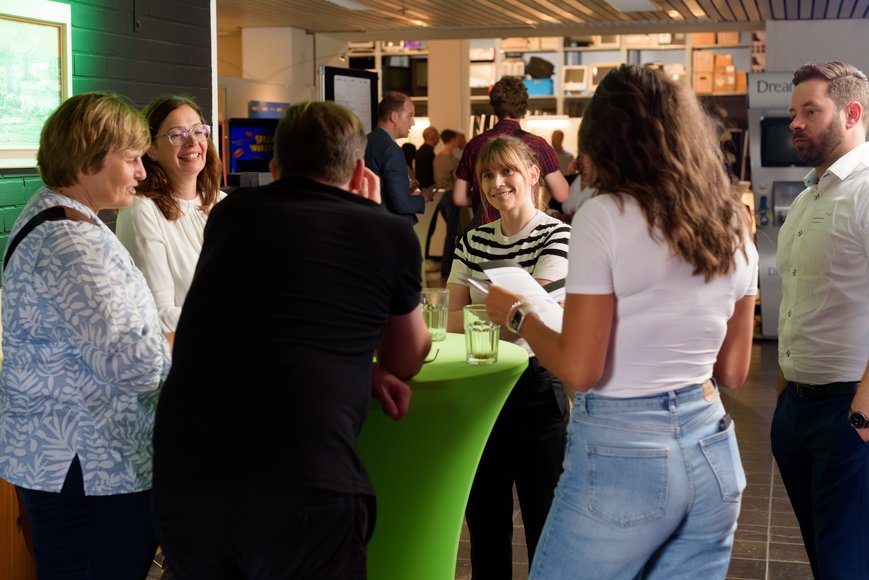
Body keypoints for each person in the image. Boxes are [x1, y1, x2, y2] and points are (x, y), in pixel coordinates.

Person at [484, 64, 758, 579]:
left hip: (622, 450)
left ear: (601, 138)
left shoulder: (604, 216)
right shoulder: (733, 222)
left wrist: (518, 315)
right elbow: (734, 372)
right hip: (713, 447)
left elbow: (580, 370)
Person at [151, 100, 432, 580]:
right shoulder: (387, 232)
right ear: (360, 169)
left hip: (188, 479)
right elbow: (406, 357)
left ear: (275, 167)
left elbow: (255, 321)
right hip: (304, 488)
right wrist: (372, 222)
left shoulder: (231, 214)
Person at [0, 92, 171, 579]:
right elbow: (133, 365)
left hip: (81, 465)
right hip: (90, 467)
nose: (141, 172)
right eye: (132, 159)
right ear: (89, 157)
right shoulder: (70, 241)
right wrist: (182, 342)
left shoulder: (64, 220)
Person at [447, 136, 570, 579]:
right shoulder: (472, 240)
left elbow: (541, 320)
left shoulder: (558, 236)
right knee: (486, 529)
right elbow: (451, 318)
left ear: (534, 174)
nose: (497, 183)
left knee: (546, 528)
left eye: (508, 172)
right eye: (487, 175)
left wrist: (502, 314)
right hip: (478, 395)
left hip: (535, 392)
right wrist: (508, 313)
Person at [770, 61, 869, 579]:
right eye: (793, 113)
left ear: (851, 113)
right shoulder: (809, 197)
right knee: (825, 559)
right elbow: (795, 298)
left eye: (811, 111)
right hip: (797, 412)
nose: (795, 123)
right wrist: (785, 392)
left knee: (845, 564)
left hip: (849, 412)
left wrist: (864, 412)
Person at [116, 95, 224, 334]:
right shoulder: (141, 209)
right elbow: (158, 314)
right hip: (187, 359)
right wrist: (236, 320)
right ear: (152, 149)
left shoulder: (222, 203)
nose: (192, 142)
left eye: (198, 131)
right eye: (177, 134)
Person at [453, 76, 568, 226]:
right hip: (523, 232)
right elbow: (562, 194)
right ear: (523, 106)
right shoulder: (537, 144)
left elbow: (459, 197)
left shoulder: (474, 145)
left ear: (494, 105)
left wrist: (486, 198)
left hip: (484, 232)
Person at [365, 91, 435, 221]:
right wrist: (424, 197)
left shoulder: (366, 141)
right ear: (394, 116)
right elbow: (401, 205)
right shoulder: (392, 150)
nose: (413, 122)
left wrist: (402, 188)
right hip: (388, 227)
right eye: (410, 116)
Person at [430, 129, 461, 276]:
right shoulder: (453, 160)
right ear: (452, 140)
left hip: (439, 198)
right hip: (451, 196)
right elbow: (458, 180)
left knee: (449, 232)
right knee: (452, 233)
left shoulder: (437, 158)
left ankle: (445, 268)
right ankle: (448, 268)